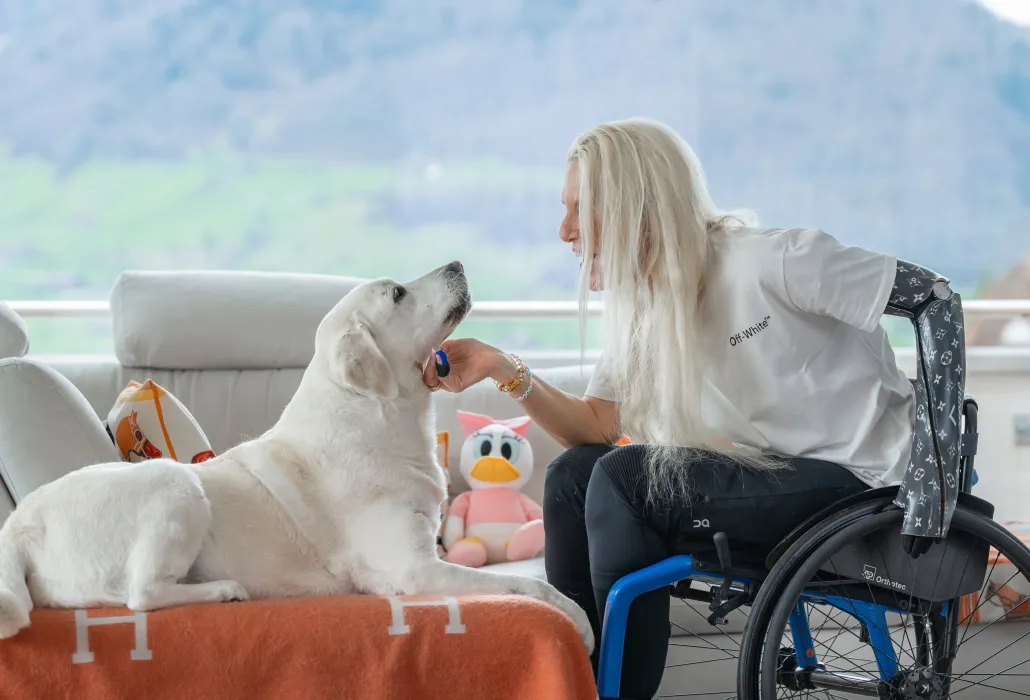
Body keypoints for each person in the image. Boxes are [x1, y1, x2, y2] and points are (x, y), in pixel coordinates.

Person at [421, 118, 914, 699]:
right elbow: (595, 426)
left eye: (580, 209)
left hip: (866, 482)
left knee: (623, 479)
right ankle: (578, 677)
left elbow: (933, 300)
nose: (564, 231)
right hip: (779, 478)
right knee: (572, 476)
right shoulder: (648, 306)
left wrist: (938, 475)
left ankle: (619, 692)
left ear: (634, 206)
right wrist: (502, 367)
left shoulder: (771, 261)